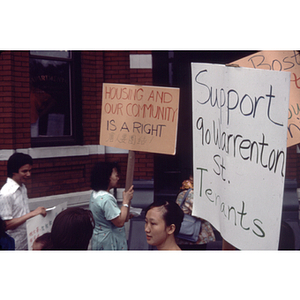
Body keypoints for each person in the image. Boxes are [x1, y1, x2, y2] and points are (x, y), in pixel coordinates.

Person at [0, 152, 47, 250]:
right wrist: (33, 213)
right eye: (24, 171)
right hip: (13, 246)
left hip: (26, 242)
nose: (28, 174)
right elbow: (6, 225)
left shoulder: (22, 187)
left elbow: (21, 214)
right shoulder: (6, 194)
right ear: (14, 172)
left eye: (30, 170)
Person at [89, 161, 134, 250]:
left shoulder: (95, 194)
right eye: (116, 175)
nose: (118, 178)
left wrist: (126, 215)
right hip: (110, 241)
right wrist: (126, 201)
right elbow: (119, 222)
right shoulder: (106, 199)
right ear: (107, 177)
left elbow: (110, 217)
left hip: (99, 238)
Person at [175, 177, 216, 250]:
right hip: (197, 236)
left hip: (183, 233)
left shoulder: (181, 193)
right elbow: (201, 214)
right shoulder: (192, 194)